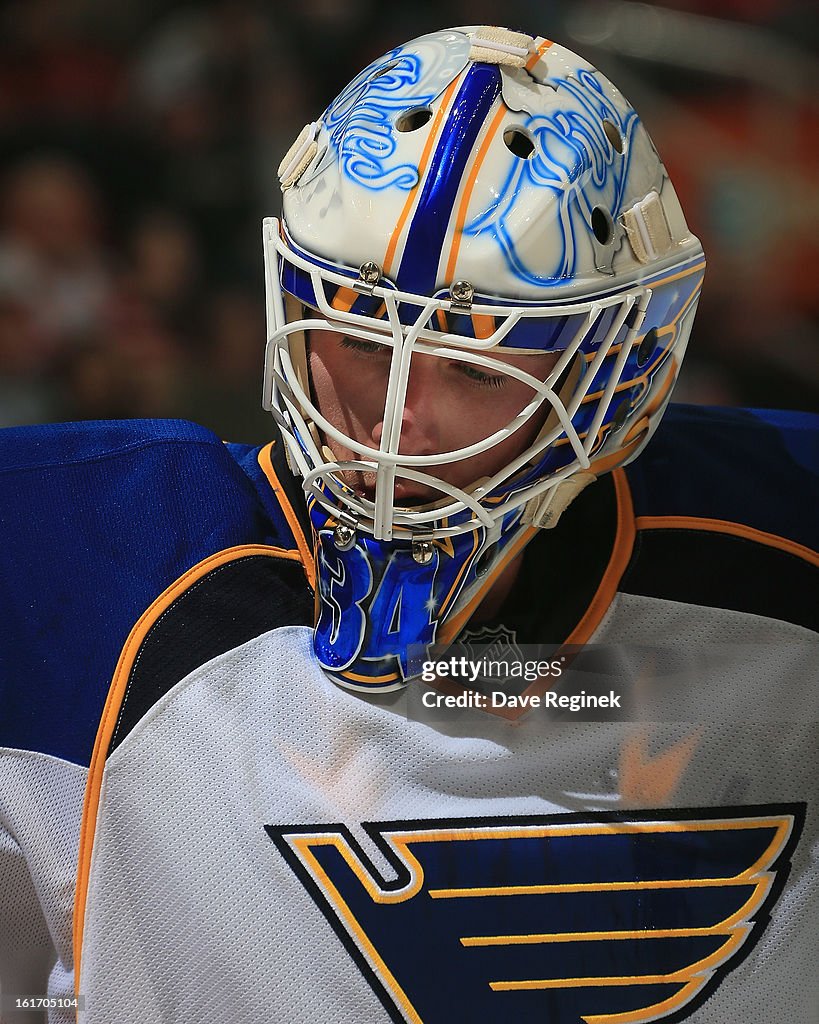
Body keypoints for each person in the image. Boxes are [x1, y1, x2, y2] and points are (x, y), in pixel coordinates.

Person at [1, 25, 816, 1024]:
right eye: (353, 335)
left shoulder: (777, 557)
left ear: (617, 372)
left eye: (475, 364)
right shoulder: (93, 566)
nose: (394, 422)